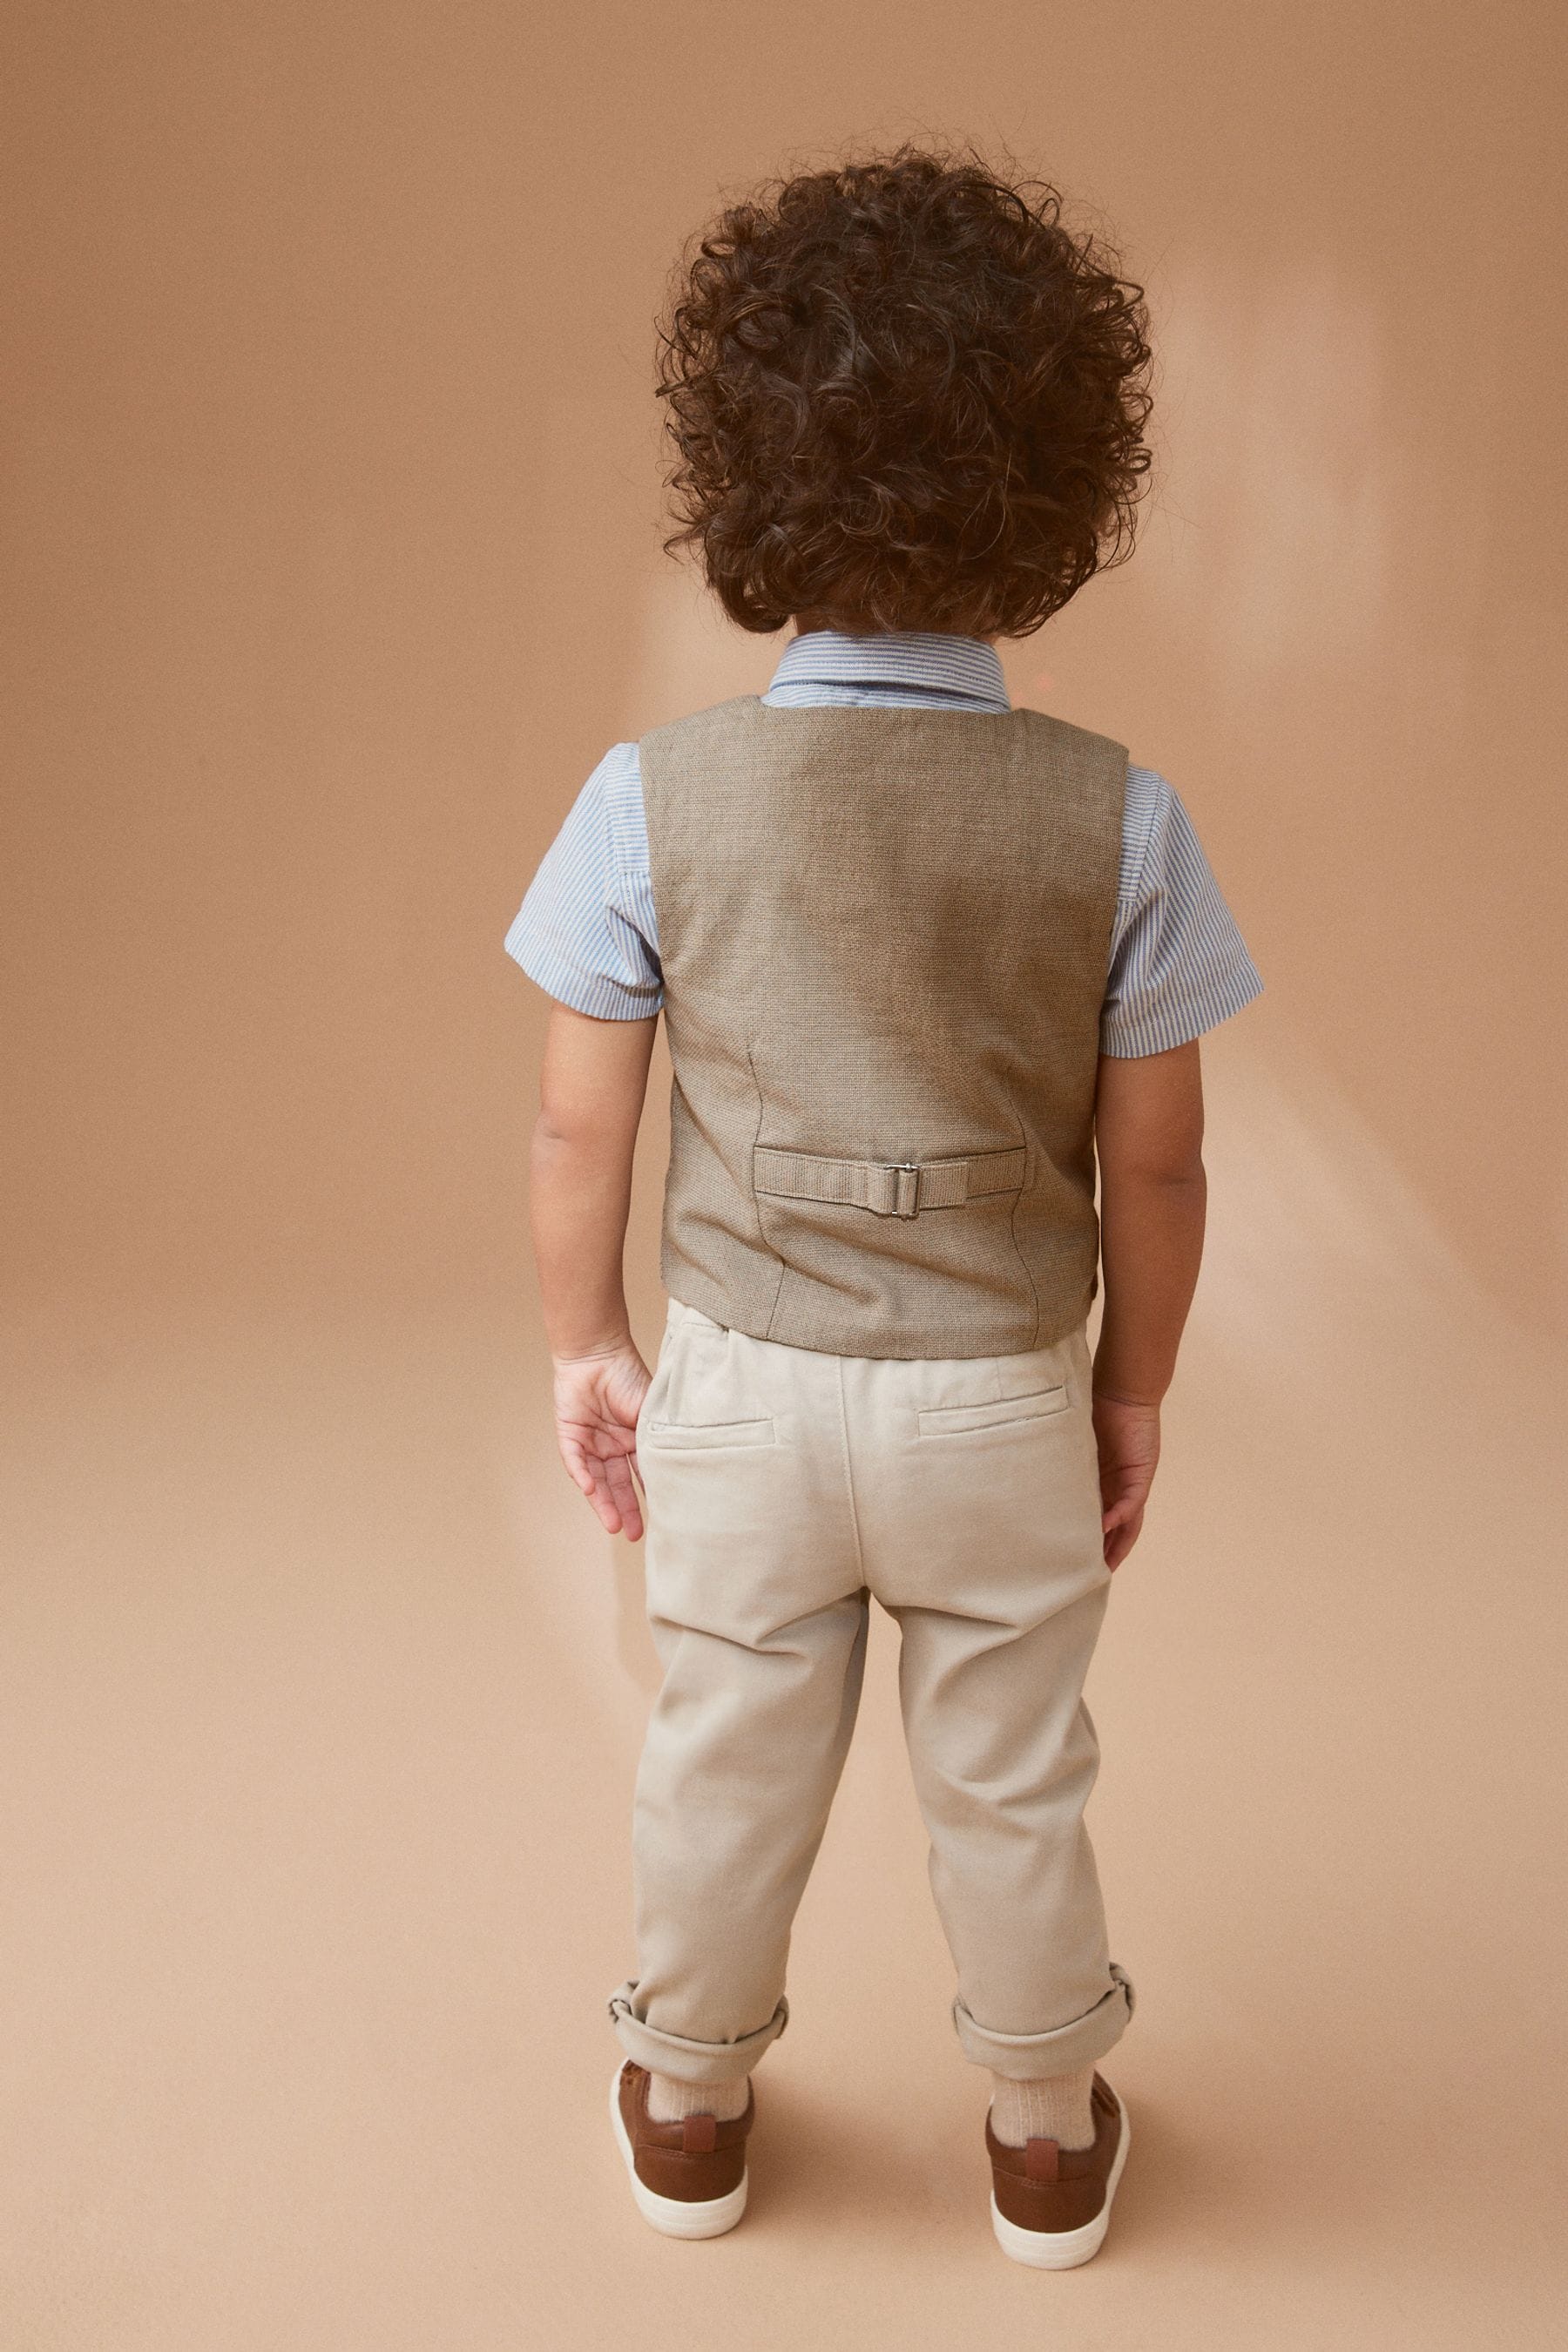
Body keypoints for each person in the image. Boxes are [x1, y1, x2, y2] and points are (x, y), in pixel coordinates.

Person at [506, 144, 1263, 2266]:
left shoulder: (651, 798)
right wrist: (1130, 1400)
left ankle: (686, 2095)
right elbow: (1161, 1158)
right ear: (1053, 498)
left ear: (742, 484)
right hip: (997, 1394)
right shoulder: (1120, 817)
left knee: (726, 1750)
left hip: (742, 1388)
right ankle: (1038, 2124)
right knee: (1013, 1770)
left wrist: (589, 1349)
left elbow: (583, 1129)